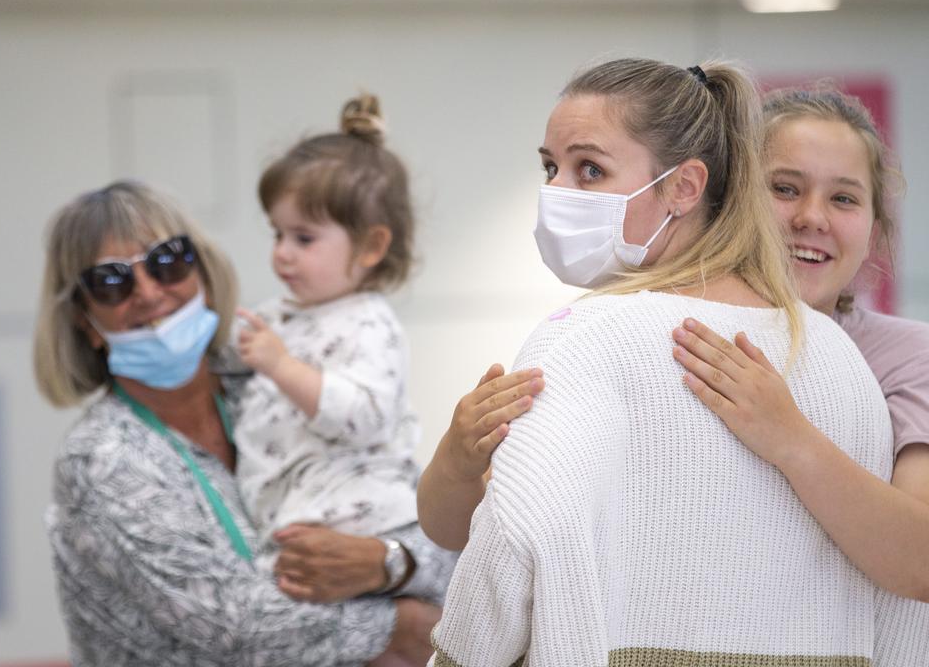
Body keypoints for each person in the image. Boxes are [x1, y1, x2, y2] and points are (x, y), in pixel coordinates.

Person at [425, 59, 893, 665]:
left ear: (683, 186)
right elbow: (898, 612)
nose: (557, 191)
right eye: (551, 167)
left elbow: (506, 552)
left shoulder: (588, 337)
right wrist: (460, 461)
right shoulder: (837, 355)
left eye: (589, 169)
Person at [34, 180, 453, 667]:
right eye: (111, 281)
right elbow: (234, 624)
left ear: (204, 273)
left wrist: (387, 562)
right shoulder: (101, 457)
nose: (149, 292)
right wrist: (401, 628)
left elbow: (435, 533)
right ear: (85, 321)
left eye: (168, 260)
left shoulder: (282, 381)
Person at [669, 86, 929, 661]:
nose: (811, 217)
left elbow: (920, 563)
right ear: (733, 202)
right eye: (784, 189)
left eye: (844, 198)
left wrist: (789, 437)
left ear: (874, 226)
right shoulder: (680, 337)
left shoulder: (910, 357)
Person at [233, 94, 422, 555]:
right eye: (277, 234)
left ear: (371, 247)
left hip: (355, 513)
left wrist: (281, 366)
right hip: (285, 513)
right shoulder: (281, 312)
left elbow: (367, 418)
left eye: (303, 237)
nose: (282, 252)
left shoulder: (369, 324)